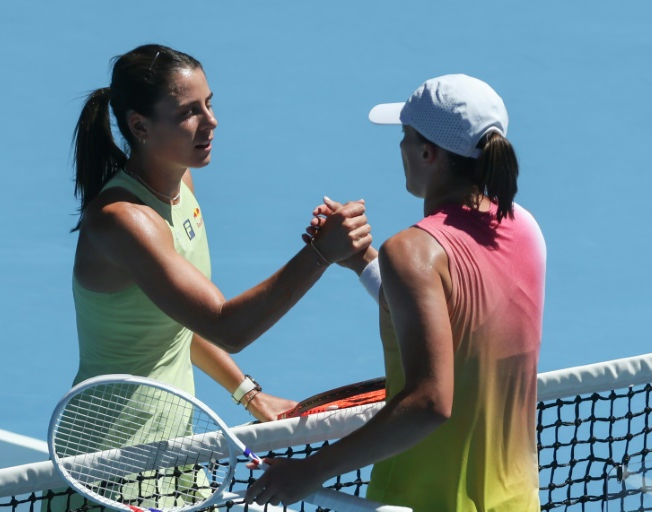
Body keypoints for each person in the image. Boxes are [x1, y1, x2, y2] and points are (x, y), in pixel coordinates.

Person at [246, 74, 546, 511]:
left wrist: (307, 472)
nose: (400, 148)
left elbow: (429, 402)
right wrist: (364, 262)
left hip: (422, 503)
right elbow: (457, 322)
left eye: (405, 137)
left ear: (428, 153)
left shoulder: (413, 251)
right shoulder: (526, 229)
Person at [68, 43, 373, 421]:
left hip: (169, 444)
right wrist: (320, 254)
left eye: (209, 104)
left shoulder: (181, 186)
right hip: (109, 458)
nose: (210, 121)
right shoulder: (127, 220)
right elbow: (226, 327)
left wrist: (249, 394)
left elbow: (178, 320)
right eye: (189, 112)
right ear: (140, 126)